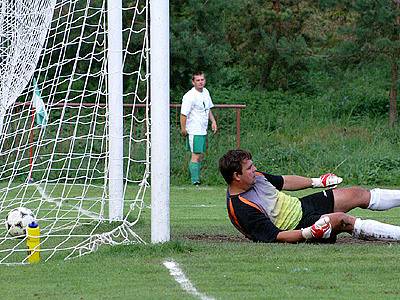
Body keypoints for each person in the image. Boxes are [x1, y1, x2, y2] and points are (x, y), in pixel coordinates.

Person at [218, 149, 400, 243]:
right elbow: (277, 236)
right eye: (249, 168)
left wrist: (317, 181)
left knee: (357, 193)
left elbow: (284, 181)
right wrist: (309, 233)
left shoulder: (255, 178)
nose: (255, 169)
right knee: (343, 221)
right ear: (236, 176)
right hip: (297, 227)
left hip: (301, 205)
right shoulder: (241, 208)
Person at [180, 71, 217, 185]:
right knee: (195, 155)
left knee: (200, 155)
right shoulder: (189, 96)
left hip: (203, 129)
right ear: (193, 82)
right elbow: (183, 114)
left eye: (202, 80)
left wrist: (213, 121)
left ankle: (197, 178)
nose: (200, 82)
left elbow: (208, 109)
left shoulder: (205, 92)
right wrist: (183, 129)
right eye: (198, 80)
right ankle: (195, 181)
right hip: (194, 130)